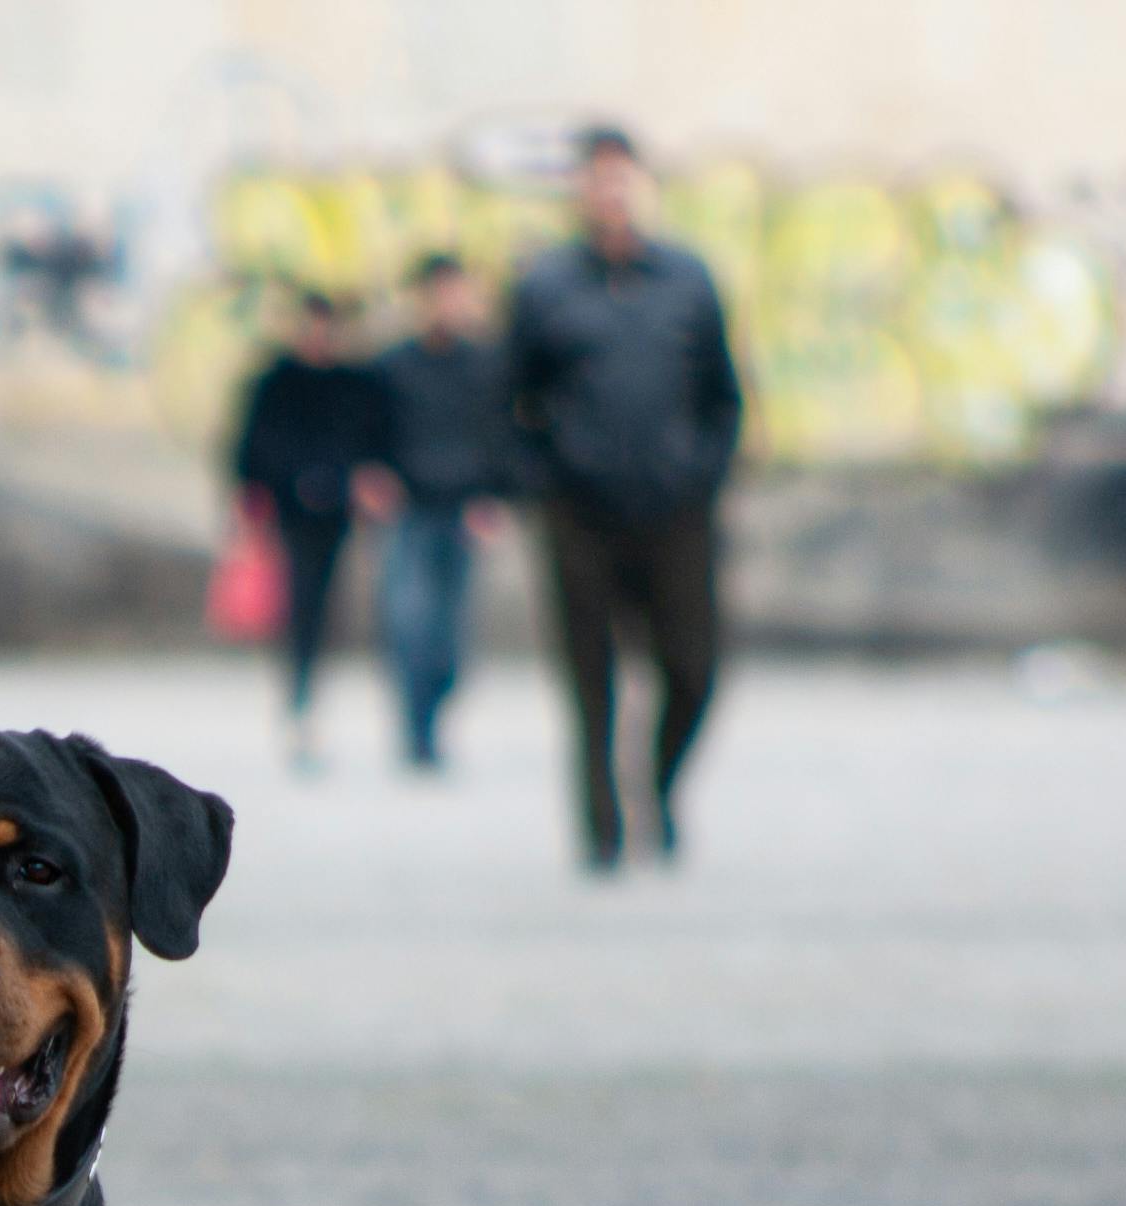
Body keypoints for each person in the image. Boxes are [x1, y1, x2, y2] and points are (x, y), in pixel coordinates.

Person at [502, 125, 742, 868]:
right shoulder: (545, 287)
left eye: (621, 179)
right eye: (595, 180)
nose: (609, 194)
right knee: (591, 681)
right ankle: (602, 829)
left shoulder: (689, 282)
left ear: (643, 188)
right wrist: (540, 482)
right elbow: (510, 401)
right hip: (580, 514)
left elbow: (723, 396)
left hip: (675, 511)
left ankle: (659, 787)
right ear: (577, 192)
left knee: (693, 667)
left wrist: (702, 469)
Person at [365, 252, 518, 772]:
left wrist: (497, 497)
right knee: (409, 621)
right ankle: (416, 726)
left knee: (451, 635)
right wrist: (373, 476)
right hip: (409, 510)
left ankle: (434, 709)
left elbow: (503, 438)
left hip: (464, 510)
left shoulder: (488, 366)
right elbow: (369, 435)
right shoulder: (392, 366)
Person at [229, 290, 392, 771]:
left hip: (339, 513)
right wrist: (253, 497)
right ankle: (300, 690)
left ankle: (308, 687)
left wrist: (364, 479)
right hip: (289, 511)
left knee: (327, 601)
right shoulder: (275, 381)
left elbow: (373, 442)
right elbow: (250, 447)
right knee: (301, 601)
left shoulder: (355, 383)